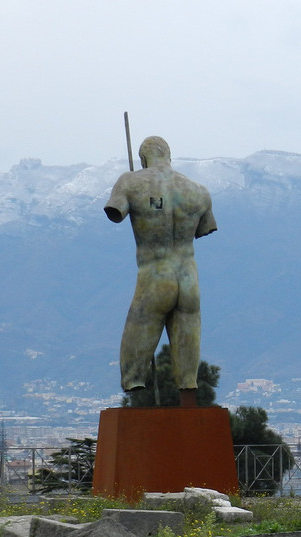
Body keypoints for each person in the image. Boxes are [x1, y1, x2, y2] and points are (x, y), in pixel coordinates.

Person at [104, 136, 217, 405]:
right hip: (189, 279)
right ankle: (188, 390)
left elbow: (114, 211)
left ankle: (136, 391)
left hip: (155, 278)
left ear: (143, 159)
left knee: (138, 335)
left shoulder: (131, 181)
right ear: (169, 156)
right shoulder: (198, 191)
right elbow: (205, 228)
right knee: (188, 345)